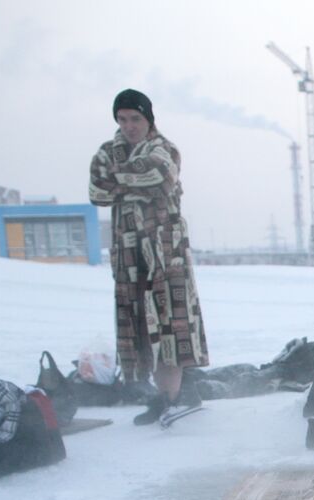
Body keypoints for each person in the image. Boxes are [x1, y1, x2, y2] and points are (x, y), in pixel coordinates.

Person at [89, 89, 208, 425]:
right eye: (123, 119)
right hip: (128, 254)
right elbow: (96, 192)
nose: (129, 126)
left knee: (171, 324)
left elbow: (159, 178)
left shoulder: (164, 149)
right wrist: (131, 181)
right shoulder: (105, 152)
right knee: (141, 327)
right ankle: (163, 397)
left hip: (165, 253)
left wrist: (118, 181)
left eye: (135, 118)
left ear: (148, 119)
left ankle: (178, 395)